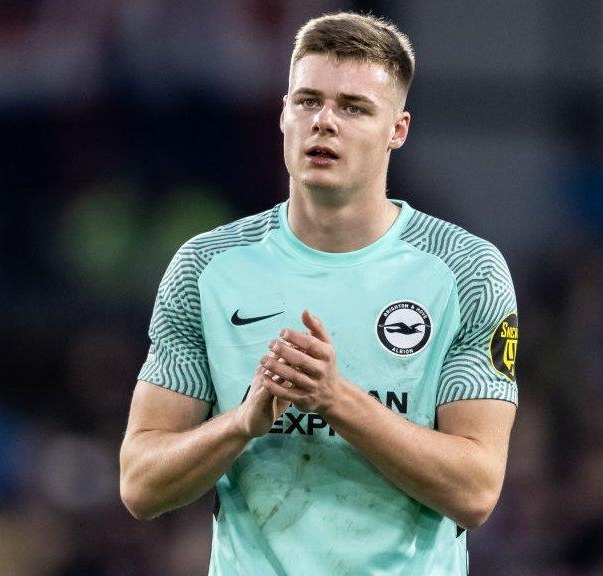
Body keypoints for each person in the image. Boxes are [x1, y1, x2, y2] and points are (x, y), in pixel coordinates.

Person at [119, 12, 518, 575]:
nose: (324, 122)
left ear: (396, 131)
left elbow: (476, 491)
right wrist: (242, 423)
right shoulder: (206, 268)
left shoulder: (465, 270)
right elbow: (139, 484)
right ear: (283, 115)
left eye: (354, 108)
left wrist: (336, 400)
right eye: (307, 101)